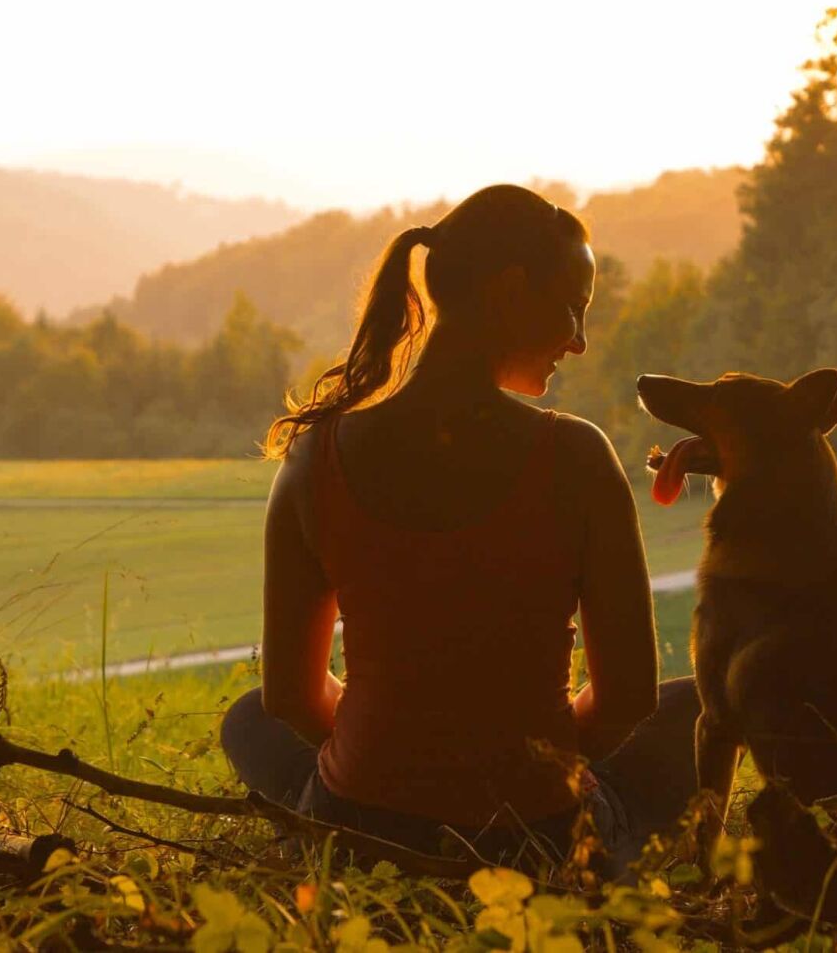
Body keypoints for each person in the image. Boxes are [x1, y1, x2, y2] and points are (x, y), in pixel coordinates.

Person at [220, 183, 697, 873]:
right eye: (573, 307)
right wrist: (526, 764)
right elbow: (626, 701)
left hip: (361, 826)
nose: (580, 341)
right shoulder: (575, 457)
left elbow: (292, 698)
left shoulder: (314, 456)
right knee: (691, 710)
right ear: (509, 291)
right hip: (532, 834)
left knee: (250, 718)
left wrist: (401, 749)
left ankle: (329, 831)